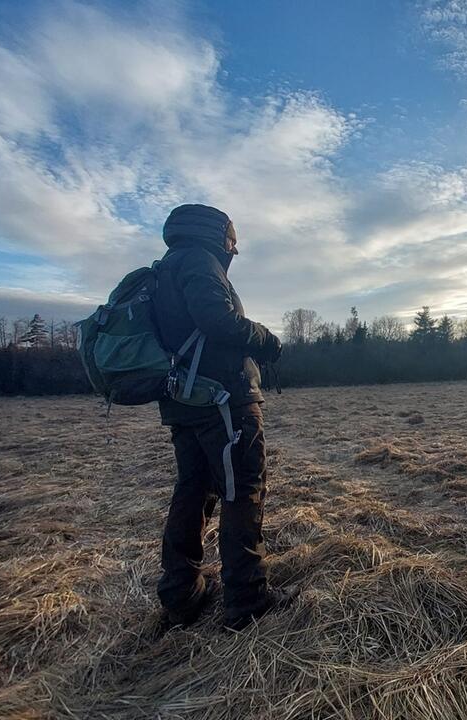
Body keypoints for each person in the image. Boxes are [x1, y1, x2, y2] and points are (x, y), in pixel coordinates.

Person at [153, 203, 296, 630]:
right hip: (222, 402)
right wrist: (267, 340)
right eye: (232, 239)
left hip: (186, 404)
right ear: (217, 236)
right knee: (243, 492)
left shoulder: (167, 268)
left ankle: (181, 594)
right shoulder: (200, 262)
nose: (235, 249)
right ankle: (248, 600)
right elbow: (219, 321)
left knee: (193, 490)